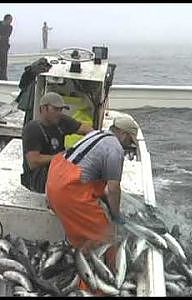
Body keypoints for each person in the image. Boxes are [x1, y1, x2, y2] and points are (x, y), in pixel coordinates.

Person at [45, 115, 138, 294]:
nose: (129, 144)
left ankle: (81, 262)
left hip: (54, 183)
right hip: (70, 192)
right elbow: (113, 190)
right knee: (105, 236)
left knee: (88, 236)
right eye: (129, 139)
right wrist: (116, 216)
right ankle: (93, 288)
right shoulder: (115, 150)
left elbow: (80, 166)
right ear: (124, 134)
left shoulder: (96, 135)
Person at [21, 92, 93, 194]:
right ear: (44, 108)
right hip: (38, 177)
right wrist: (62, 156)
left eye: (61, 109)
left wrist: (93, 139)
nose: (59, 112)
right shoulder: (32, 129)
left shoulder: (61, 120)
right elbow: (33, 161)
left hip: (58, 169)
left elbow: (85, 129)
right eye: (55, 109)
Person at [0, 14, 13, 80]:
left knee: (4, 64)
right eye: (10, 20)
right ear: (6, 19)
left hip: (4, 47)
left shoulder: (10, 27)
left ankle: (3, 78)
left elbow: (6, 36)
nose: (11, 22)